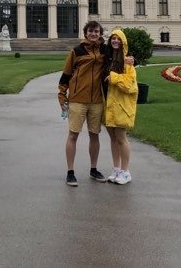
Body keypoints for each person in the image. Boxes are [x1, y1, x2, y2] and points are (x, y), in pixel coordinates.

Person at [57, 20, 109, 186]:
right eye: (91, 31)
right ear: (85, 33)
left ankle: (93, 169)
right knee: (73, 135)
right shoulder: (77, 51)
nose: (94, 34)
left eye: (96, 31)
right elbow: (65, 75)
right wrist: (62, 96)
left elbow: (119, 58)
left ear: (100, 34)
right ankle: (70, 172)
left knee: (95, 135)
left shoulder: (104, 50)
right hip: (78, 99)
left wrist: (131, 60)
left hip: (96, 100)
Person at [101, 29, 138, 185]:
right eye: (113, 38)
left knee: (121, 138)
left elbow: (131, 85)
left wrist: (114, 78)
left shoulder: (127, 63)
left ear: (123, 42)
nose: (115, 41)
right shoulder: (108, 59)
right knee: (113, 139)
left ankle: (126, 171)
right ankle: (116, 169)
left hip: (121, 105)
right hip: (108, 104)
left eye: (118, 39)